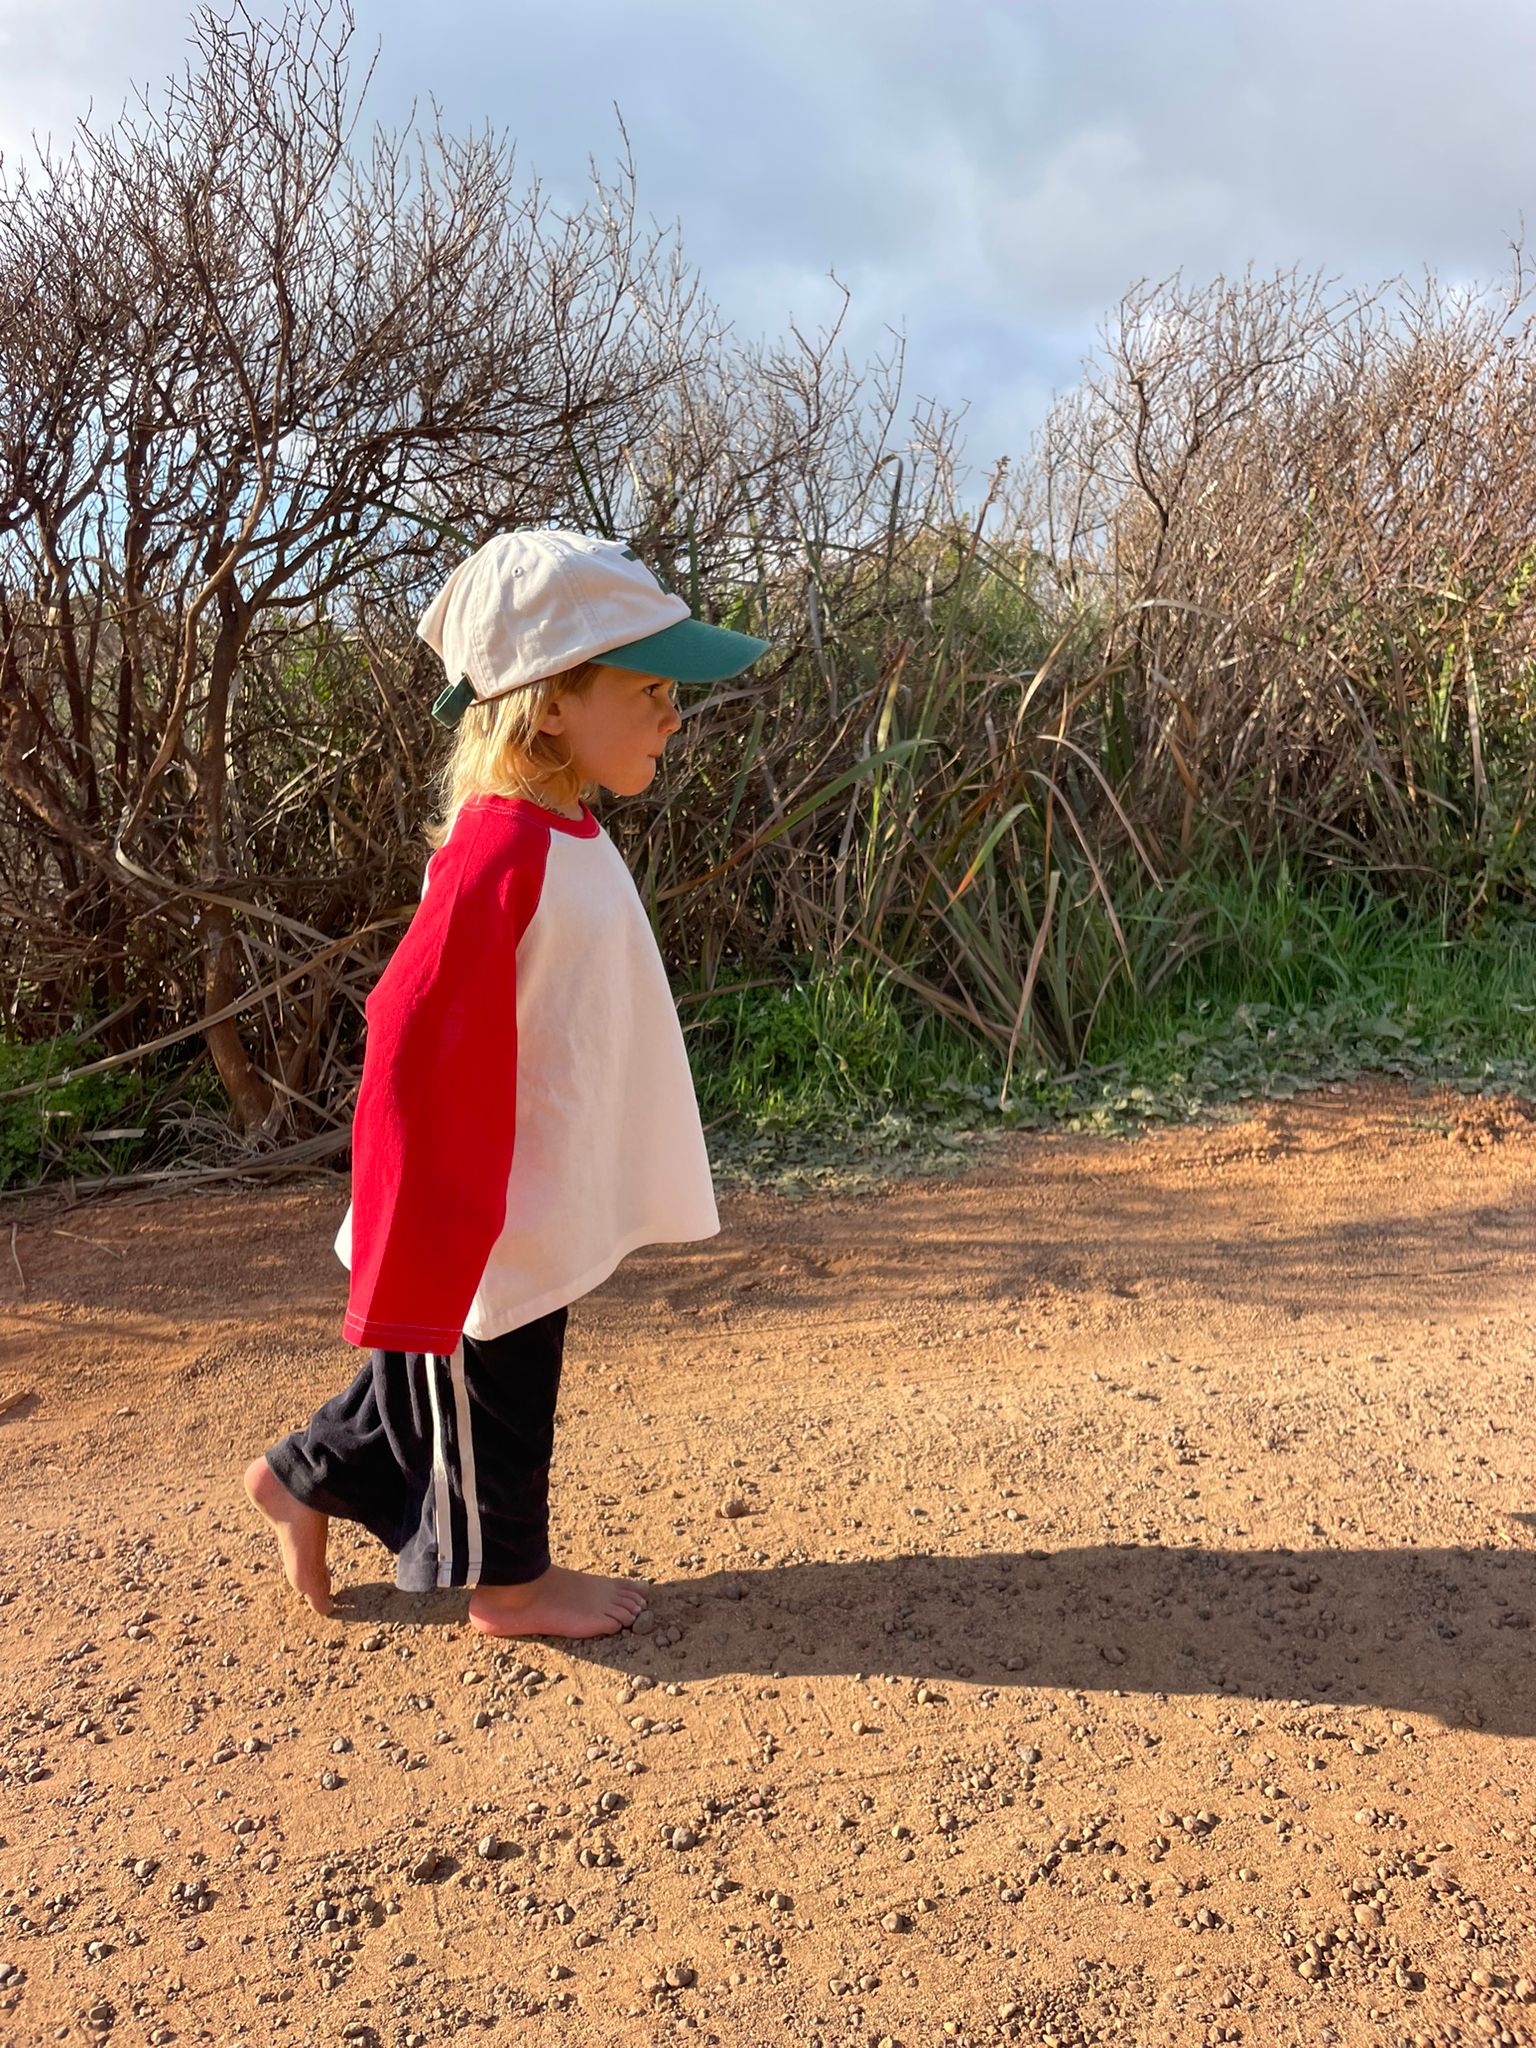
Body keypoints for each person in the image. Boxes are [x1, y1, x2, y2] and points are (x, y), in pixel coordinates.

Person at [244, 530, 768, 1638]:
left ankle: (304, 1472)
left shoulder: (560, 821)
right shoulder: (499, 847)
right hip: (487, 1193)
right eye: (651, 688)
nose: (675, 714)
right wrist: (426, 1214)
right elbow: (409, 1030)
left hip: (532, 1172)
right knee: (501, 1380)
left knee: (449, 1377)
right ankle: (512, 1583)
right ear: (548, 705)